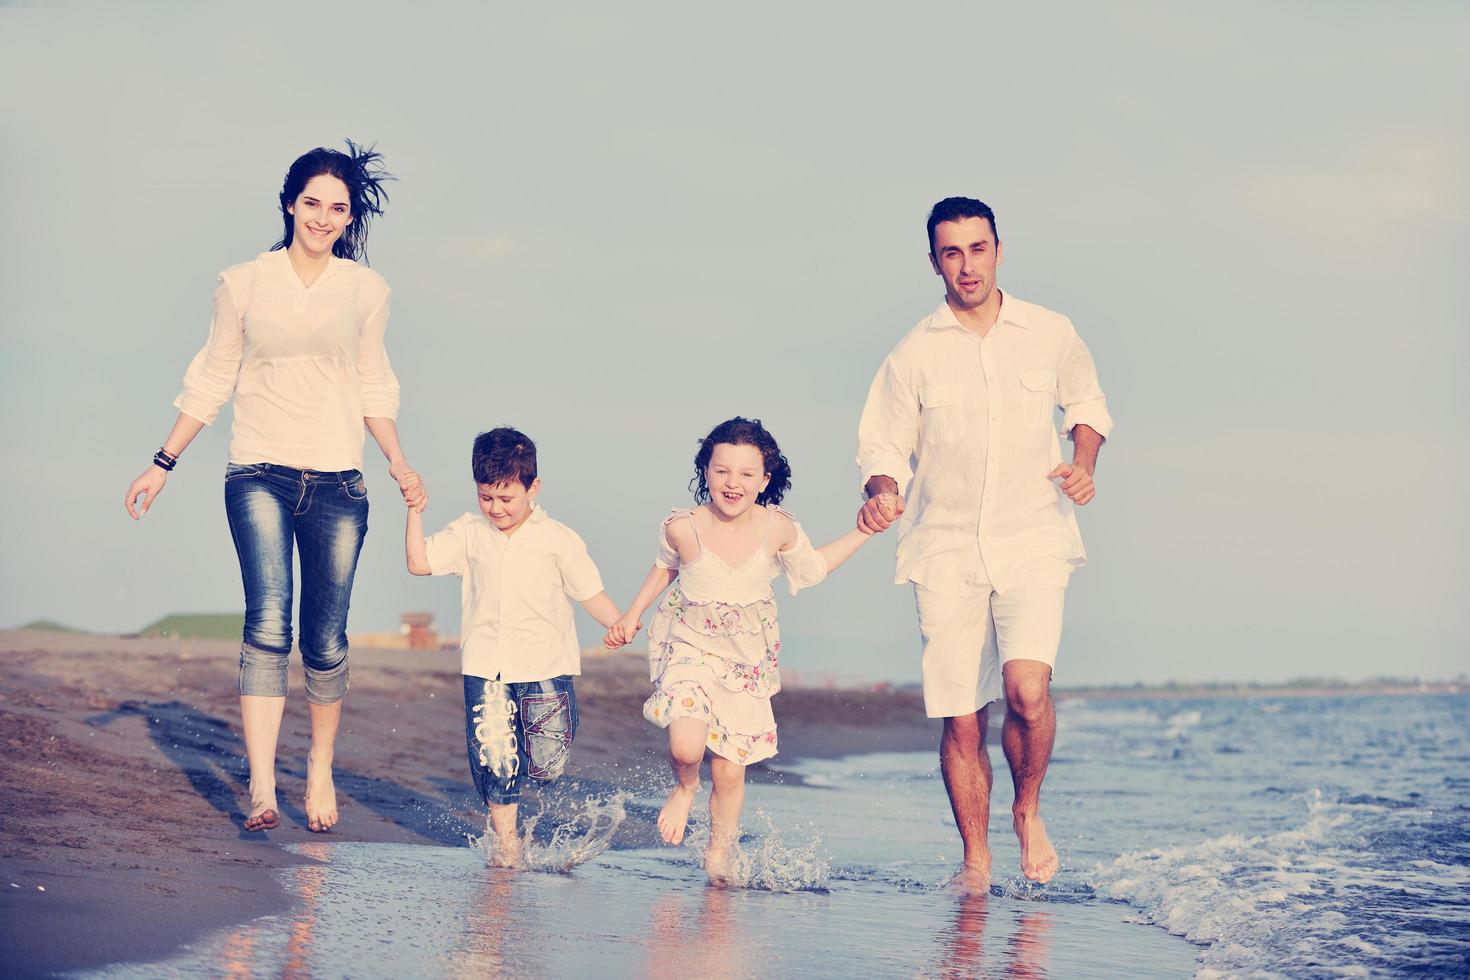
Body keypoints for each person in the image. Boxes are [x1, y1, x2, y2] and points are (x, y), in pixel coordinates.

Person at [123, 142, 427, 834]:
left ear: (350, 219)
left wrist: (398, 461)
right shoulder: (243, 283)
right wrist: (161, 463)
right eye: (312, 202)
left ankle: (317, 766)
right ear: (290, 202)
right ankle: (262, 788)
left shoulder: (365, 291)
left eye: (338, 209)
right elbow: (212, 377)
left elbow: (374, 383)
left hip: (339, 483)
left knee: (324, 640)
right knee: (268, 622)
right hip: (257, 472)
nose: (323, 217)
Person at [855, 197, 1113, 892]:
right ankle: (975, 857)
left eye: (977, 248)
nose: (966, 265)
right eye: (951, 252)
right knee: (963, 719)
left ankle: (1027, 809)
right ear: (934, 260)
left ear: (998, 249)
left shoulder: (1050, 331)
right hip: (943, 548)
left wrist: (1083, 465)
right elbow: (882, 445)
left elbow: (1087, 406)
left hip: (1033, 535)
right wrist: (882, 487)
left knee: (1027, 688)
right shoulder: (913, 353)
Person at [604, 417, 876, 882]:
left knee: (730, 774)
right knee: (687, 745)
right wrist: (631, 615)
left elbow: (812, 570)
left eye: (747, 474)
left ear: (765, 480)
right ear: (705, 472)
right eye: (722, 470)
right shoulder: (683, 527)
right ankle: (685, 787)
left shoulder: (779, 530)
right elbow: (663, 568)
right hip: (690, 650)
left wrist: (865, 532)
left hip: (746, 664)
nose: (734, 483)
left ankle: (719, 850)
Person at [405, 427, 622, 867]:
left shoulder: (558, 538)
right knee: (496, 759)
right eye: (486, 498)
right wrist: (414, 512)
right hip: (487, 667)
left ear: (532, 488)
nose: (496, 509)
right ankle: (508, 844)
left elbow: (590, 593)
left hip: (545, 665)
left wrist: (617, 623)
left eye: (506, 499)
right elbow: (419, 562)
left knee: (548, 762)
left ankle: (528, 779)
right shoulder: (469, 532)